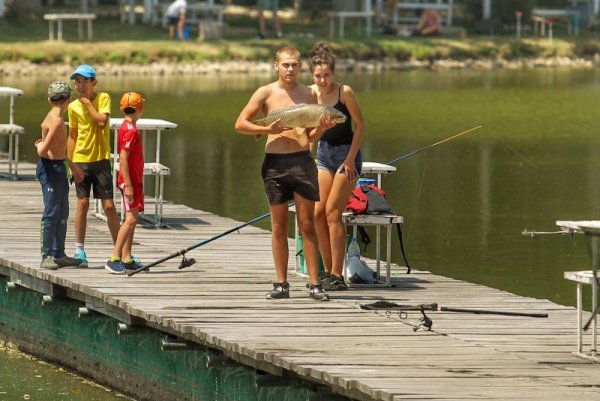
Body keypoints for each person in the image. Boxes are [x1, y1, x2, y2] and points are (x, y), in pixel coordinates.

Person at [234, 46, 336, 301]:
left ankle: (315, 284)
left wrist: (322, 129)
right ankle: (281, 283)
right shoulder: (265, 92)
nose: (290, 69)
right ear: (276, 66)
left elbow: (310, 135)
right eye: (285, 64)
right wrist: (270, 130)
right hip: (275, 164)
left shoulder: (310, 94)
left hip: (302, 161)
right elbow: (240, 124)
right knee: (279, 226)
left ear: (300, 67)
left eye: (294, 65)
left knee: (307, 224)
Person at [308, 42, 364, 291]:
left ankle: (337, 275)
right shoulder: (311, 94)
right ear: (312, 74)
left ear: (333, 73)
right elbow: (309, 132)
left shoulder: (344, 92)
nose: (323, 80)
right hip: (322, 155)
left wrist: (351, 159)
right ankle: (327, 272)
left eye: (327, 75)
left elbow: (360, 126)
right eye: (318, 76)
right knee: (317, 212)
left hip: (346, 154)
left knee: (333, 212)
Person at [67, 64, 120, 267]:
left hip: (101, 161)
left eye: (84, 81)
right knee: (82, 203)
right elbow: (72, 136)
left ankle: (120, 250)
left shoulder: (103, 98)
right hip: (81, 160)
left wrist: (88, 104)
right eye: (77, 81)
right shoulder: (72, 107)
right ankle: (79, 251)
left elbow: (100, 121)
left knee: (108, 206)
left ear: (93, 83)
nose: (80, 85)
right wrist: (70, 164)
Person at [35, 81, 82, 270]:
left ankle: (59, 254)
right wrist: (39, 145)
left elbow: (59, 149)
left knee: (63, 211)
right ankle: (46, 255)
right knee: (52, 212)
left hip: (59, 166)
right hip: (50, 169)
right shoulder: (56, 121)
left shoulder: (53, 116)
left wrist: (73, 167)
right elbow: (43, 150)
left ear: (49, 100)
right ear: (69, 100)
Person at [105, 92, 145, 275]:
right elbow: (123, 158)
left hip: (134, 180)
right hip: (130, 182)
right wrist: (128, 185)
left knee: (133, 219)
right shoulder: (131, 130)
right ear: (140, 110)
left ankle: (127, 257)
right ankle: (115, 258)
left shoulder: (126, 126)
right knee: (130, 219)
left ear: (122, 109)